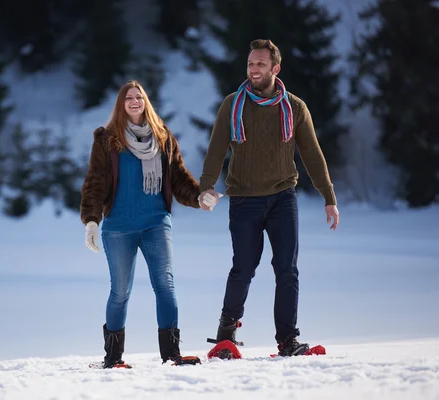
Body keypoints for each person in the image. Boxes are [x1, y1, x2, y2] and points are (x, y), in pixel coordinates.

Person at [198, 39, 340, 357]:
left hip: (282, 197)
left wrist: (328, 195)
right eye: (250, 64)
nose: (254, 69)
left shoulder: (294, 107)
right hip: (244, 199)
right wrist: (205, 187)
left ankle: (288, 339)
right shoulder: (232, 104)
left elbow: (312, 154)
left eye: (261, 64)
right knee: (244, 267)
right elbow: (216, 149)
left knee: (287, 269)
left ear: (275, 68)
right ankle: (226, 335)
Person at [80, 80, 202, 368]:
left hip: (156, 223)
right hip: (118, 227)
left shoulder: (162, 138)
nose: (135, 101)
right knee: (120, 291)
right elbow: (95, 183)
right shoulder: (107, 140)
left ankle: (171, 355)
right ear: (121, 105)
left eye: (139, 97)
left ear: (146, 101)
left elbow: (179, 179)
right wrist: (91, 221)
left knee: (166, 285)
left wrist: (199, 197)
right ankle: (113, 358)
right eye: (128, 98)